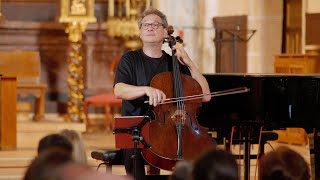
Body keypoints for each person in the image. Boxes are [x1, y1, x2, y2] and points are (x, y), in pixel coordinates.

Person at [114, 8, 211, 180]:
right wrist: (146, 89)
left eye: (155, 25)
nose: (150, 28)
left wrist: (189, 63)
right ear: (140, 32)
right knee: (133, 151)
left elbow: (205, 95)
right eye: (146, 25)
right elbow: (119, 90)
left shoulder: (172, 62)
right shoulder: (130, 59)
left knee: (201, 152)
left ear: (166, 32)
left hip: (171, 128)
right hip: (137, 133)